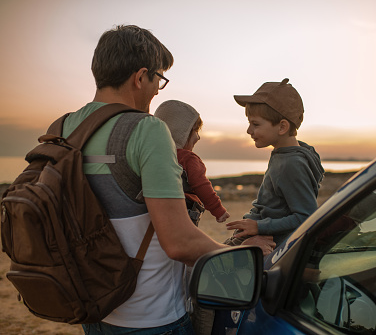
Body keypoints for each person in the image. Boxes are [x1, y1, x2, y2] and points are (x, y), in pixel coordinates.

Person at [59, 24, 273, 335]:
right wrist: (243, 255)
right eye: (159, 78)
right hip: (150, 318)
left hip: (93, 310)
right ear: (140, 76)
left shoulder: (64, 127)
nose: (159, 89)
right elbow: (179, 243)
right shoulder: (148, 130)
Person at [225, 78, 325, 247]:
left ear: (282, 127)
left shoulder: (291, 163)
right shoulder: (291, 153)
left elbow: (306, 216)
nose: (249, 130)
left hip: (266, 243)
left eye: (255, 124)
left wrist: (258, 226)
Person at [154, 100, 230, 225]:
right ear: (181, 133)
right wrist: (218, 210)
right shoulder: (187, 158)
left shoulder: (153, 156)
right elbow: (202, 186)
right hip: (184, 217)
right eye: (196, 131)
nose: (198, 137)